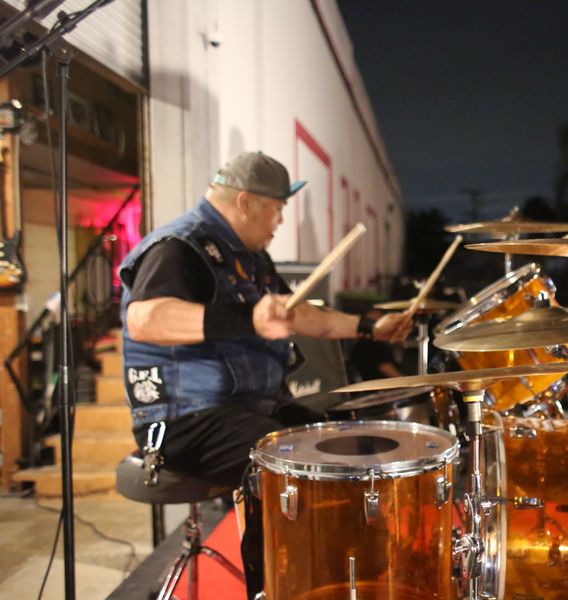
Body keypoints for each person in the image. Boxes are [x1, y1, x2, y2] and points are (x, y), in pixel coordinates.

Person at [119, 151, 411, 490]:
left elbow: (297, 312)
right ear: (245, 203)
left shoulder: (251, 258)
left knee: (349, 450)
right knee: (312, 469)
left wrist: (370, 328)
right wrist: (250, 319)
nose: (280, 220)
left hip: (249, 408)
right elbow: (144, 320)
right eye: (278, 208)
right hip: (185, 420)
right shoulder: (180, 246)